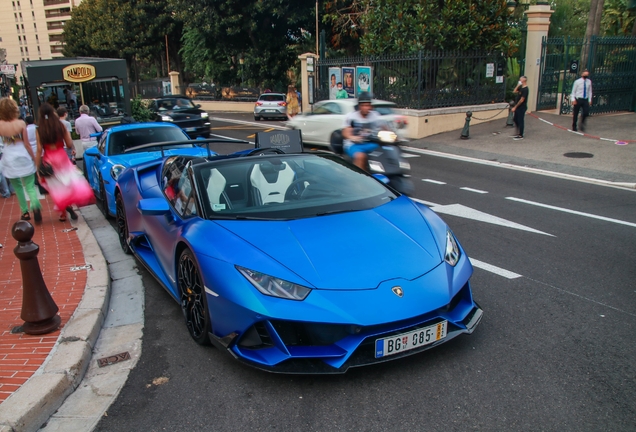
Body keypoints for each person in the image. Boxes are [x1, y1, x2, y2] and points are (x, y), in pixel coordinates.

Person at [35, 103, 94, 222]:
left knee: (56, 187)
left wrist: (37, 166)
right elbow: (68, 143)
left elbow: (39, 149)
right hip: (61, 156)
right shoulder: (60, 126)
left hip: (49, 158)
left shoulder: (39, 129)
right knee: (68, 182)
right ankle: (70, 205)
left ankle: (63, 212)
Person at [0, 97, 41, 222]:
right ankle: (35, 204)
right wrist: (34, 158)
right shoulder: (21, 123)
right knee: (29, 185)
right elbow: (27, 144)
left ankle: (25, 212)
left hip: (9, 158)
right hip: (23, 156)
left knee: (17, 187)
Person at [341, 92, 381, 170]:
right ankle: (360, 179)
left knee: (386, 151)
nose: (366, 108)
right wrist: (352, 137)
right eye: (364, 105)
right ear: (359, 106)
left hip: (371, 143)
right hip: (354, 145)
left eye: (368, 105)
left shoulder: (375, 115)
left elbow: (384, 126)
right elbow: (345, 132)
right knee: (360, 156)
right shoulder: (352, 116)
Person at [511, 76, 528, 140]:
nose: (520, 79)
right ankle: (518, 132)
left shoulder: (526, 89)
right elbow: (514, 91)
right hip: (518, 107)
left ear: (524, 80)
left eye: (521, 79)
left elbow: (522, 99)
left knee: (520, 120)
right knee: (515, 119)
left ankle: (521, 134)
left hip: (521, 107)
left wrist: (515, 107)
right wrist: (518, 85)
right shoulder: (521, 88)